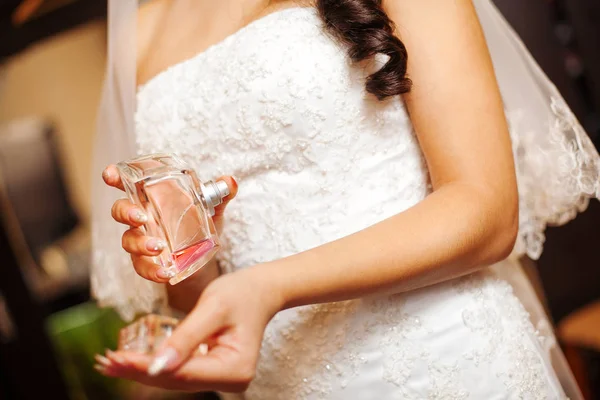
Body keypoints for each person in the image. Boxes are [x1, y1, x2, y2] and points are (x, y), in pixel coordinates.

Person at [90, 0, 600, 398]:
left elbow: (487, 211)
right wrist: (184, 248)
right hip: (280, 386)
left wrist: (268, 287)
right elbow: (199, 299)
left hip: (442, 361)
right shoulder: (139, 35)